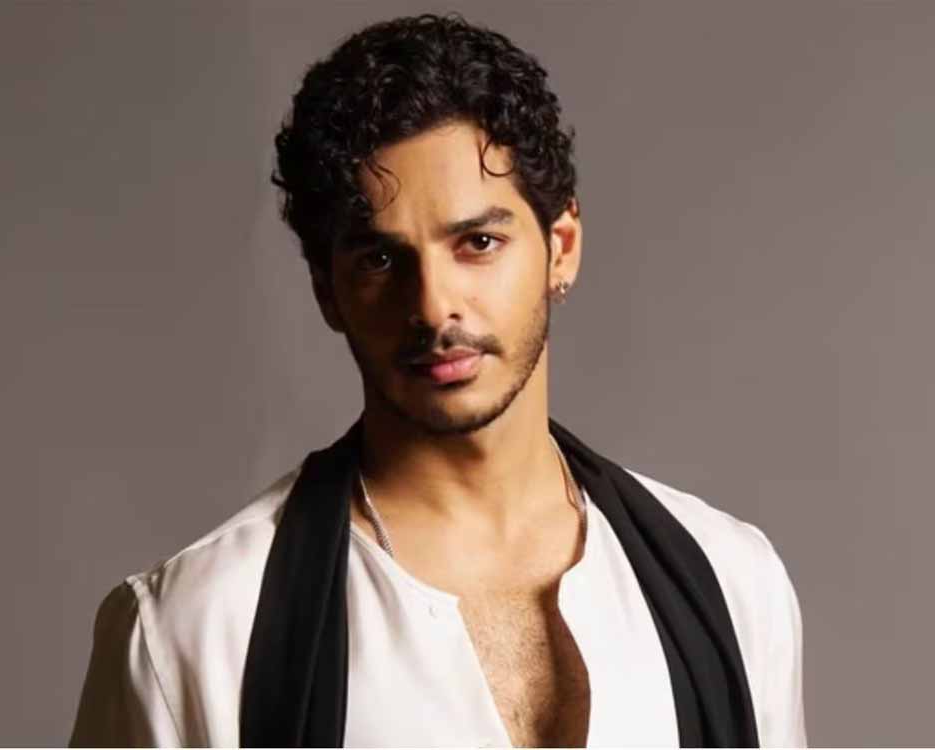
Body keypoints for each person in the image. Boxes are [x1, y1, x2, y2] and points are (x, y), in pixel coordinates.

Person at [69, 12, 806, 748]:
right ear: (327, 290)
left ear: (562, 248)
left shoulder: (731, 581)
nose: (433, 306)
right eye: (381, 260)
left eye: (478, 242)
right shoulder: (192, 629)